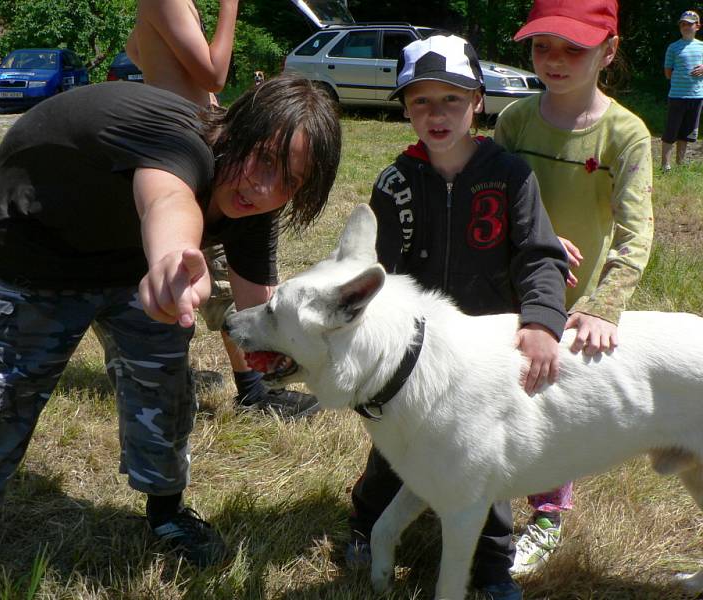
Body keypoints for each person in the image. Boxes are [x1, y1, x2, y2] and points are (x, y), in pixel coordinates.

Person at [0, 75, 341, 598]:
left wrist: (338, 362)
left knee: (163, 383)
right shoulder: (179, 141)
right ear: (234, 131)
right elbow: (166, 200)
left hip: (133, 265)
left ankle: (166, 513)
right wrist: (171, 260)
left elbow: (265, 313)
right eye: (263, 159)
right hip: (33, 247)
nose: (266, 187)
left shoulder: (256, 204)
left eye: (291, 181)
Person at [347, 33, 569, 600]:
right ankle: (365, 524)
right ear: (404, 109)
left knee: (480, 461)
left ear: (477, 103)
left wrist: (542, 321)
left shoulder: (511, 176)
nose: (436, 113)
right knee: (393, 448)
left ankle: (491, 569)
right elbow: (377, 268)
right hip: (415, 352)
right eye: (420, 101)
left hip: (483, 356)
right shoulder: (396, 181)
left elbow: (539, 256)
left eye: (451, 98)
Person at [495, 0, 653, 575]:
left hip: (573, 299)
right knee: (497, 392)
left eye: (574, 49)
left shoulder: (624, 132)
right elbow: (493, 199)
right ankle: (484, 497)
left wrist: (605, 303)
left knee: (547, 401)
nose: (554, 60)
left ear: (608, 52)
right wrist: (535, 238)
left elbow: (638, 230)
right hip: (506, 282)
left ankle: (545, 515)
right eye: (543, 46)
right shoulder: (515, 120)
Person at [126, 0, 320, 419]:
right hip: (183, 150)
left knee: (228, 276)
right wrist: (229, 8)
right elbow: (214, 72)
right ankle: (253, 390)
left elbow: (135, 50)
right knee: (213, 276)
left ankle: (254, 384)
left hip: (194, 137)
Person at [660, 9, 703, 172]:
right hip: (677, 95)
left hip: (697, 96)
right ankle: (665, 165)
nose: (685, 27)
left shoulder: (702, 47)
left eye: (689, 24)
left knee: (686, 132)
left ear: (697, 26)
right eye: (683, 24)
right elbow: (668, 73)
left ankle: (680, 164)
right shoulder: (673, 47)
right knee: (671, 131)